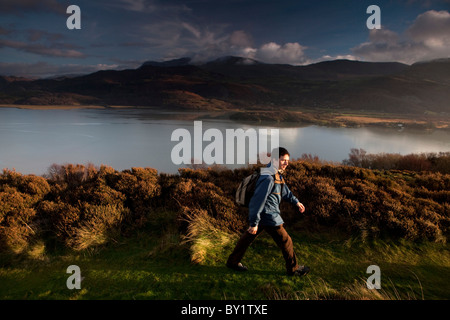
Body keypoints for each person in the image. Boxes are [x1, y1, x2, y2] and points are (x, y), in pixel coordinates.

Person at [226, 147, 310, 276]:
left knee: (246, 239)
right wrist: (254, 223)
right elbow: (257, 201)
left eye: (287, 160)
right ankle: (293, 270)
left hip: (264, 216)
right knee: (286, 241)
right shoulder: (268, 178)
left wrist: (296, 202)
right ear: (275, 159)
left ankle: (232, 262)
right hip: (269, 217)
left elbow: (284, 191)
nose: (287, 163)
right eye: (283, 160)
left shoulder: (275, 174)